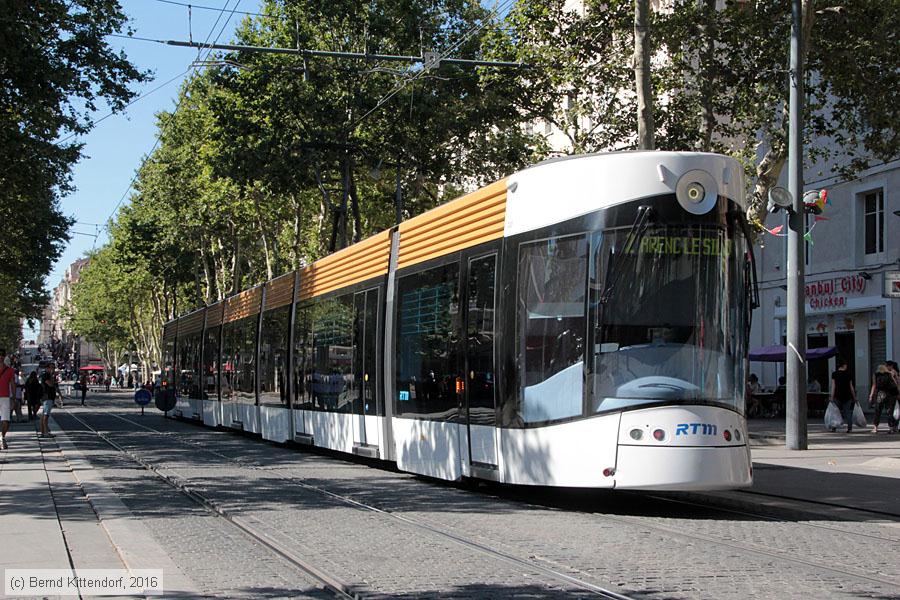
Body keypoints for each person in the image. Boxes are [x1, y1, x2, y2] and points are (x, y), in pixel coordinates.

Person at [867, 363, 898, 434]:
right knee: (889, 412)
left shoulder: (875, 374)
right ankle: (891, 428)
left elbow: (874, 385)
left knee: (878, 411)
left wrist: (871, 395)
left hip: (880, 394)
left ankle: (875, 428)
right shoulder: (889, 374)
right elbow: (895, 384)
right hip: (890, 395)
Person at [831, 358, 856, 433]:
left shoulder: (834, 374)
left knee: (835, 412)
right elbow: (851, 387)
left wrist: (832, 397)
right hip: (847, 395)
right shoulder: (848, 374)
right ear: (844, 365)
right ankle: (849, 428)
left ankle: (834, 427)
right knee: (848, 412)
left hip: (837, 395)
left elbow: (833, 386)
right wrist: (854, 397)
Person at [0, 350, 15, 449]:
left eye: (2, 355)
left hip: (5, 397)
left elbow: (13, 384)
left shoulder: (10, 370)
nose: (0, 357)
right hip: (4, 397)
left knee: (6, 420)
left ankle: (2, 437)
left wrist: (14, 397)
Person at [40, 363, 58, 438]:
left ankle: (44, 431)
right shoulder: (46, 375)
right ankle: (45, 433)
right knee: (46, 415)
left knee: (44, 415)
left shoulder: (48, 375)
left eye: (54, 367)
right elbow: (50, 384)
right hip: (47, 397)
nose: (53, 369)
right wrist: (53, 380)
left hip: (47, 397)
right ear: (47, 368)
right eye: (51, 367)